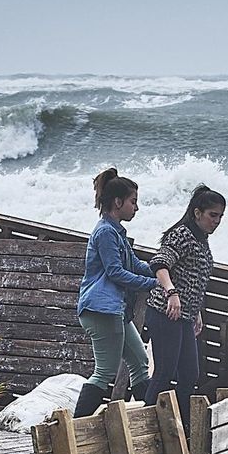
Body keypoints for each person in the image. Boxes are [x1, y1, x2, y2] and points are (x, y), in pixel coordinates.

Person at [74, 169, 157, 417]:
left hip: (115, 311)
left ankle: (152, 421)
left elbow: (136, 265)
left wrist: (163, 268)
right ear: (118, 202)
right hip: (101, 310)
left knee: (140, 363)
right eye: (133, 202)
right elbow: (115, 272)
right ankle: (75, 430)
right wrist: (152, 285)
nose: (137, 208)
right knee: (105, 372)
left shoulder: (116, 232)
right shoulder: (105, 232)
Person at [144, 184, 224, 419]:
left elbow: (193, 277)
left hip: (184, 316)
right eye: (212, 215)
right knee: (164, 372)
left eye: (220, 216)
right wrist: (172, 293)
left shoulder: (201, 239)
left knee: (190, 374)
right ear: (197, 213)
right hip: (164, 312)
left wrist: (196, 309)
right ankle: (146, 423)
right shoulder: (183, 234)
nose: (217, 221)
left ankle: (179, 426)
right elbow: (160, 263)